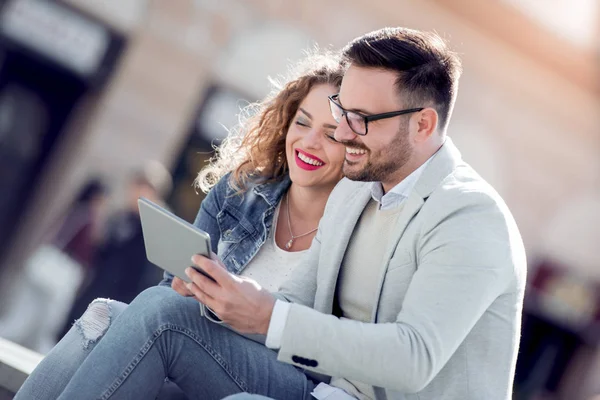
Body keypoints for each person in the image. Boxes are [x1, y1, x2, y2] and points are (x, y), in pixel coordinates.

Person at [25, 27, 527, 400]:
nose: (344, 131)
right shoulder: (358, 189)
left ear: (423, 123)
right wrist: (226, 298)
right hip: (319, 393)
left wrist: (270, 316)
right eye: (341, 109)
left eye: (360, 120)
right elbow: (295, 298)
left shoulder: (471, 218)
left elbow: (414, 358)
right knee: (122, 315)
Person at [15, 52, 346, 400]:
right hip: (191, 350)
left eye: (331, 135)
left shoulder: (357, 237)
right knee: (105, 314)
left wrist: (236, 313)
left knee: (162, 314)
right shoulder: (238, 192)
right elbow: (169, 294)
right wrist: (187, 289)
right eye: (303, 123)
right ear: (287, 123)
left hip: (287, 380)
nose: (309, 142)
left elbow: (333, 353)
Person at [57, 162, 173, 341]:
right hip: (97, 291)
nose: (137, 194)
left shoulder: (158, 227)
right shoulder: (120, 218)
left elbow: (150, 275)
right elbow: (100, 255)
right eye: (136, 187)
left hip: (124, 301)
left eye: (145, 189)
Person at [0, 178, 109, 353]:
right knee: (46, 327)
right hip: (59, 275)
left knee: (20, 318)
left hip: (43, 266)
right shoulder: (88, 217)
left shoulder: (74, 210)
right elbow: (84, 252)